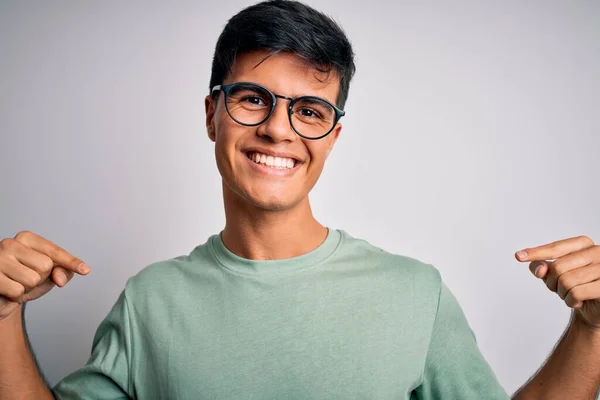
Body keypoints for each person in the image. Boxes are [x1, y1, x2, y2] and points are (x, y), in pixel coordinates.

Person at [1, 1, 599, 399]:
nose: (279, 130)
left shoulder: (416, 294)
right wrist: (1, 316)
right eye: (253, 99)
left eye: (309, 111)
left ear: (333, 137)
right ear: (213, 114)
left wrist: (591, 331)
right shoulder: (148, 301)